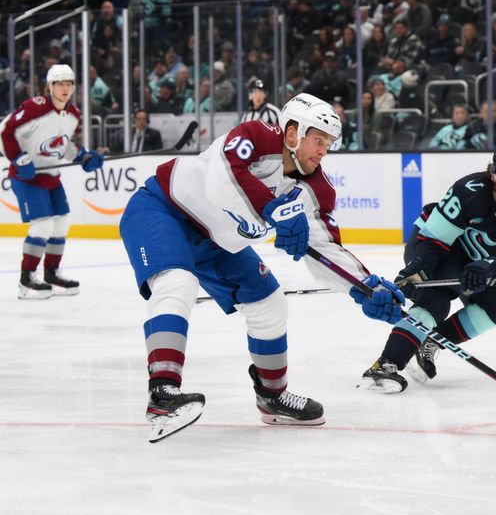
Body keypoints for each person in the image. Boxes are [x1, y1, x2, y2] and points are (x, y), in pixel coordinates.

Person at [118, 93, 405, 442]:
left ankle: (272, 396)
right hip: (163, 208)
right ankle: (163, 395)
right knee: (177, 284)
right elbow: (222, 181)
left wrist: (365, 287)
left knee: (270, 303)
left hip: (219, 243)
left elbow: (325, 248)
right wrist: (272, 210)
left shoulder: (317, 188)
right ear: (293, 133)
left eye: (329, 143)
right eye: (318, 140)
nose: (324, 150)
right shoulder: (255, 137)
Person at [360, 142, 496, 392]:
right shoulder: (469, 190)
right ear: (494, 174)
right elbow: (435, 239)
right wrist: (418, 270)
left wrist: (494, 268)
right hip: (435, 248)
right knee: (435, 302)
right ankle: (386, 364)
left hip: (473, 262)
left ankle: (433, 342)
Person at [0, 64, 105, 299]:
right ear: (50, 87)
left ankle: (51, 273)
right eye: (60, 84)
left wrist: (83, 156)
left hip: (51, 176)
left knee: (61, 223)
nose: (65, 88)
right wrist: (18, 158)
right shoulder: (34, 108)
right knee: (43, 224)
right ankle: (26, 281)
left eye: (69, 84)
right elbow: (5, 131)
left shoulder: (73, 115)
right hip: (26, 177)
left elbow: (64, 145)